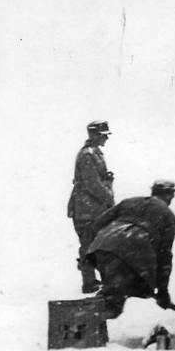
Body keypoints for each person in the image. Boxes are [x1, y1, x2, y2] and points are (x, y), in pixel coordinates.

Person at [86, 179, 175, 319]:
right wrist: (163, 291)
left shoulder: (129, 202)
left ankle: (87, 318)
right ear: (169, 195)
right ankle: (86, 322)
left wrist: (100, 244)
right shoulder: (168, 216)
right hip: (131, 256)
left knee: (112, 292)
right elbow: (165, 256)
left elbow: (97, 224)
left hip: (103, 247)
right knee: (114, 301)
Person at [67, 120, 115, 293]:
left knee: (98, 244)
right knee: (89, 245)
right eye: (103, 135)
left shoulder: (95, 153)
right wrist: (109, 197)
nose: (106, 139)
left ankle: (98, 281)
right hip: (86, 210)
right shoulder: (87, 155)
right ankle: (89, 283)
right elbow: (93, 184)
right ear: (94, 135)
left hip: (94, 209)